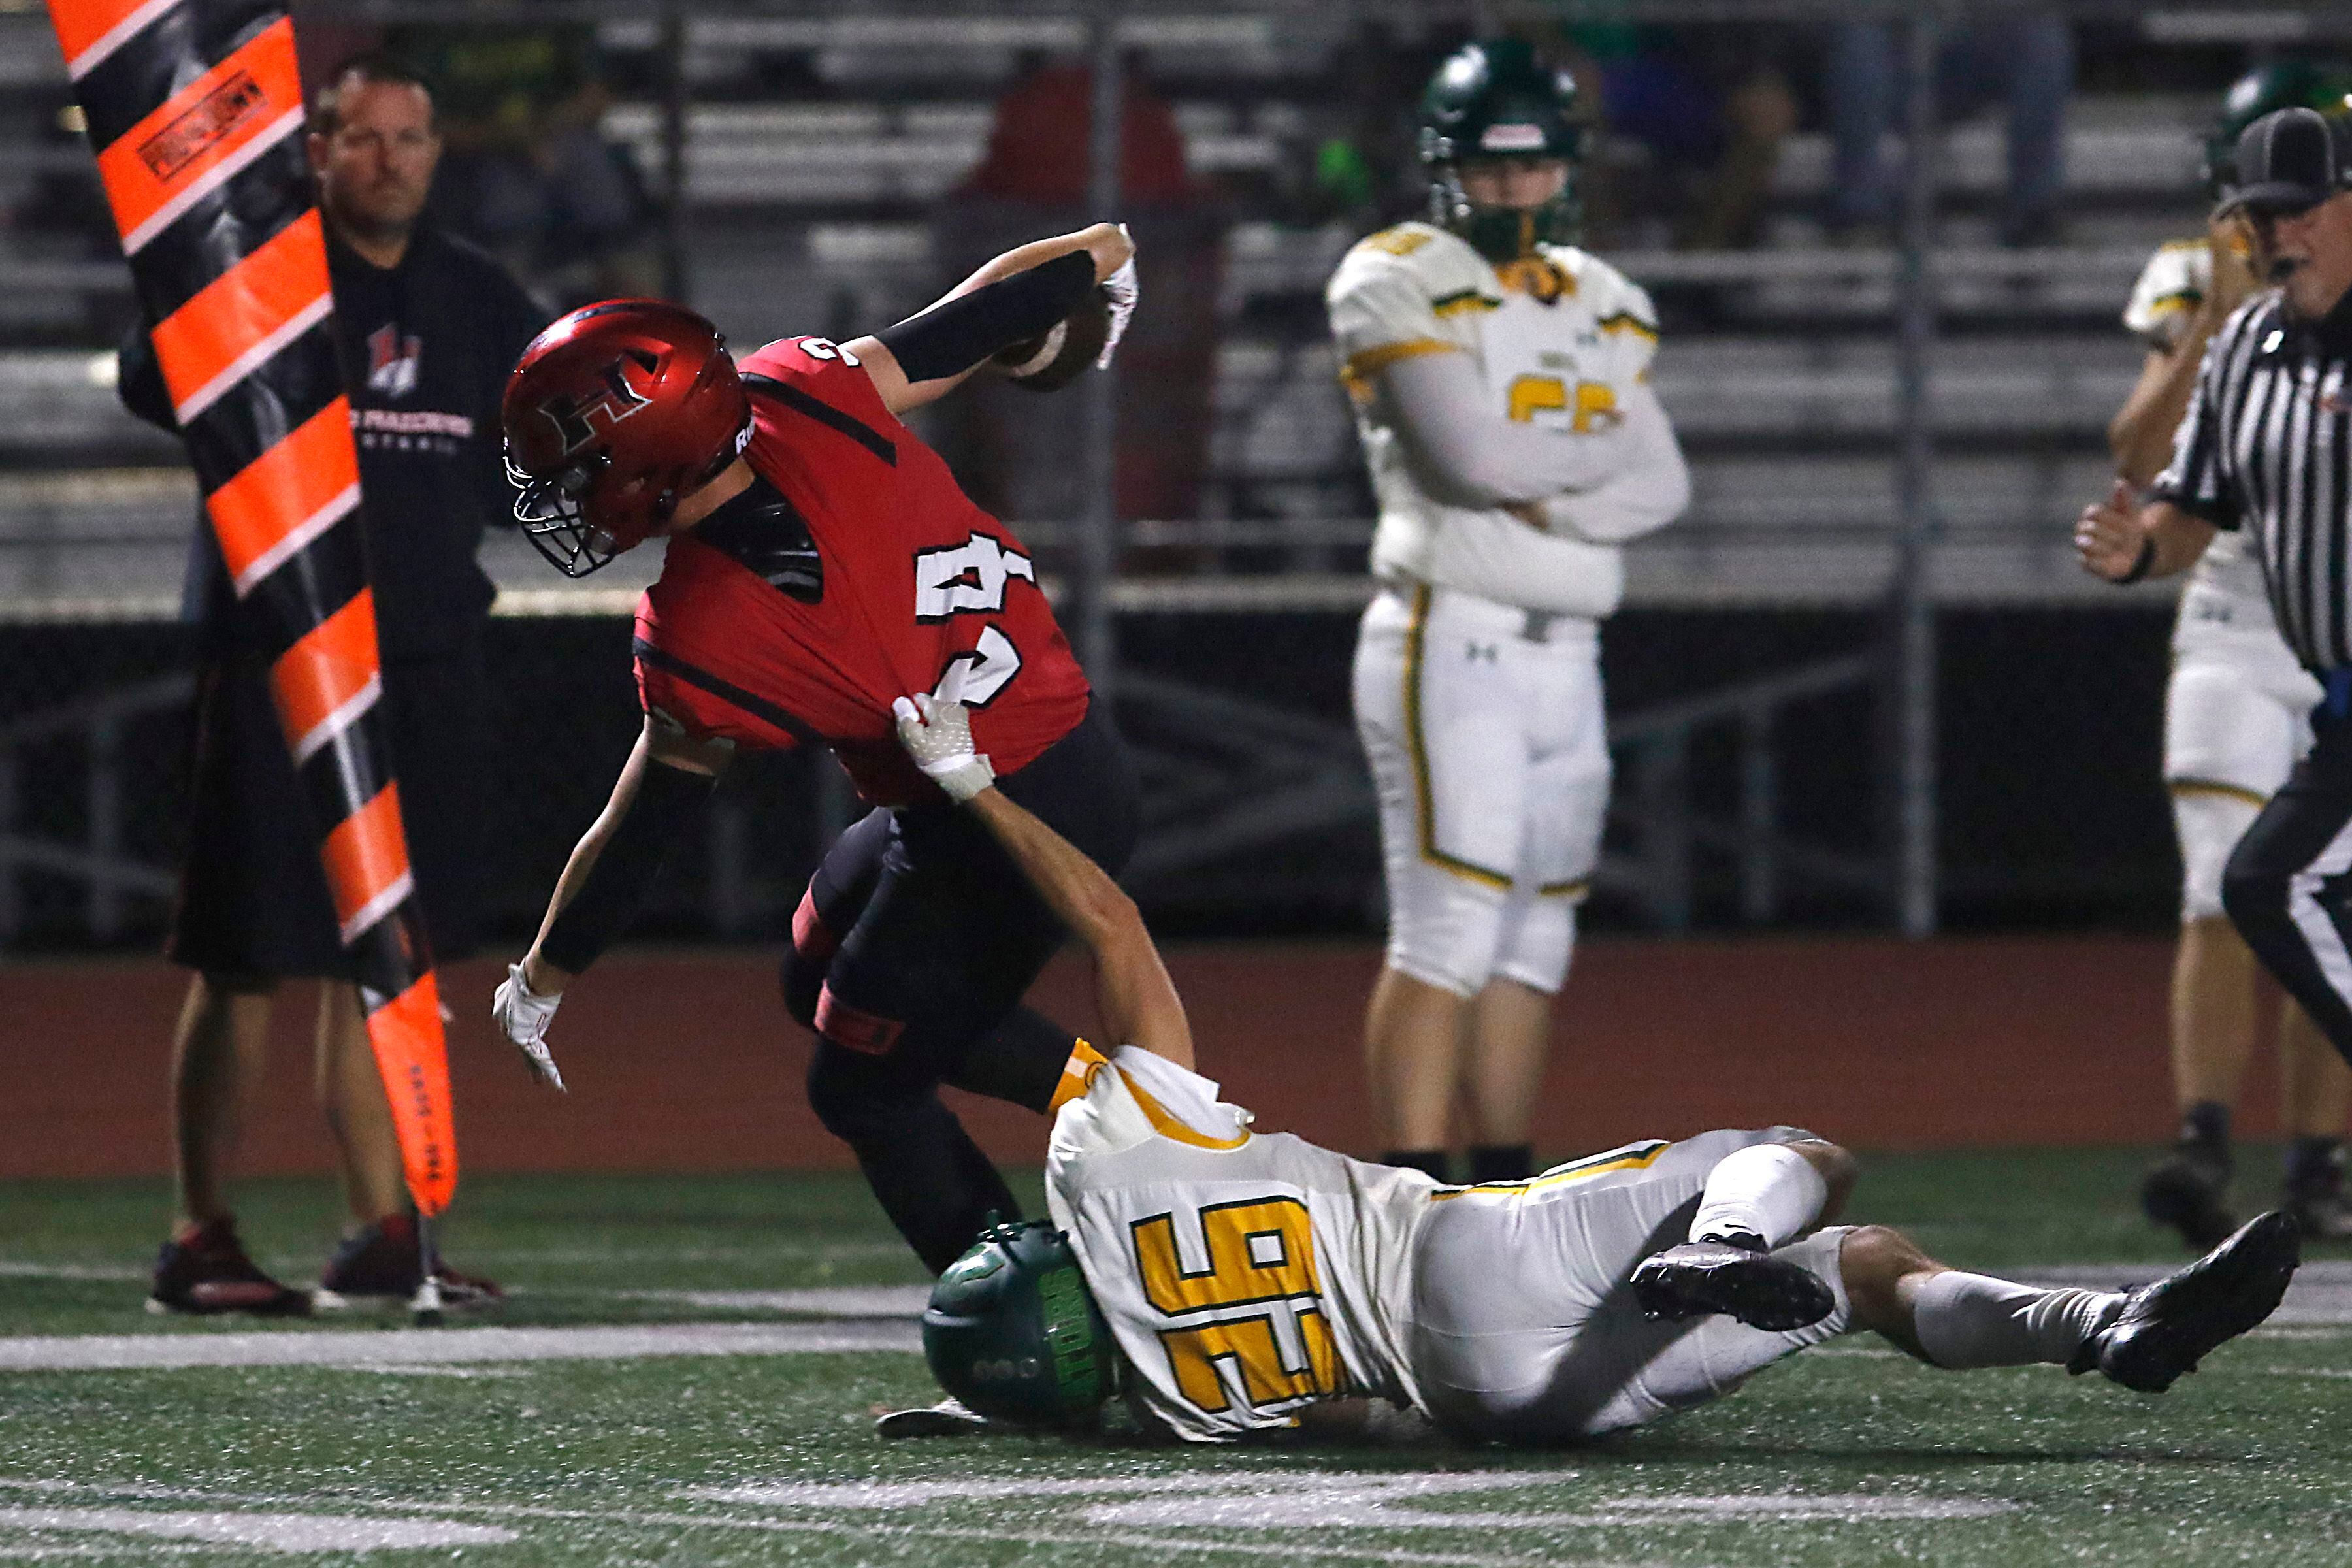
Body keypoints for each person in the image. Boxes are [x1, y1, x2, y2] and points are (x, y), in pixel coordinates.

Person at [875, 685, 2300, 1445]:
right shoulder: (1102, 1157)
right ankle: (1720, 1241)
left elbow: (1355, 1417)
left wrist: (987, 1410)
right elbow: (1111, 923)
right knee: (1806, 1162)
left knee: (1858, 1272)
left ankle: (2106, 1332)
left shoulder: (1172, 1411)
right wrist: (966, 787)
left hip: (1493, 1407)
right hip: (1466, 1259)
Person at [489, 224, 1143, 1275]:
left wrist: (543, 975)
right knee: (825, 981)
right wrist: (1096, 260)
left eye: (580, 461)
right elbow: (962, 328)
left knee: (863, 1083)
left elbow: (641, 831)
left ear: (649, 455)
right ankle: (1121, 1103)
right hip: (1035, 759)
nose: (563, 491)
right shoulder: (795, 387)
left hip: (1000, 817)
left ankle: (1039, 1323)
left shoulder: (708, 627)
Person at [127, 54, 546, 1316]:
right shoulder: (256, 274)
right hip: (274, 650)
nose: (390, 162)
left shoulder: (478, 297)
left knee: (399, 955)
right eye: (362, 139)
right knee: (246, 951)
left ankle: (385, 1229)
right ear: (316, 149)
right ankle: (199, 1233)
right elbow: (157, 382)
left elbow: (536, 453)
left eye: (410, 139)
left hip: (421, 654)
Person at [1326, 39, 1689, 1188]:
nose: (1514, 187)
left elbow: (1664, 487)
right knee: (1449, 932)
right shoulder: (1393, 271)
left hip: (1569, 652)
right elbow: (1471, 460)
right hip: (1452, 634)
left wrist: (1558, 501)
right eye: (1490, 166)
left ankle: (1505, 1189)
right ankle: (1419, 1200)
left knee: (1535, 945)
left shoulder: (1606, 299)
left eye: (1532, 168)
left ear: (1568, 168)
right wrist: (1585, 475)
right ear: (1447, 165)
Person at [2105, 65, 2352, 1249]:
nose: (2279, 228)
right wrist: (2213, 309)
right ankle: (2204, 1134)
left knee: (2309, 893)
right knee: (2237, 884)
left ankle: (2319, 1155)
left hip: (2331, 648)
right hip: (2242, 621)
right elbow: (2156, 473)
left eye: (2307, 203)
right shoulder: (2236, 322)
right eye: (2264, 206)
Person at [1822, 15, 2074, 248]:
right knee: (1859, 39)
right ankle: (1861, 216)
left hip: (1962, 56)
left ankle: (2035, 215)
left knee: (2042, 38)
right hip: (1887, 60)